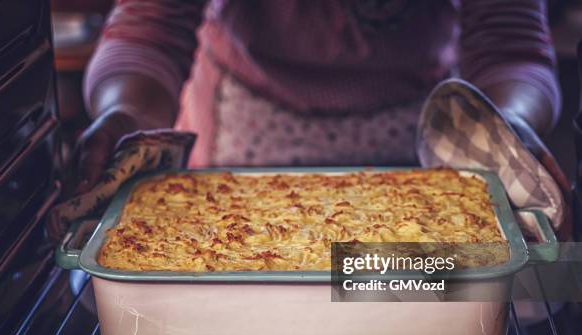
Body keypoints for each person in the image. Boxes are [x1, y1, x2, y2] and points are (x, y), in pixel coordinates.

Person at [75, 0, 562, 195]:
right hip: (247, 131)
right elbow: (150, 34)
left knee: (401, 300)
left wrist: (507, 126)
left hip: (420, 136)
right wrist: (127, 117)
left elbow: (509, 44)